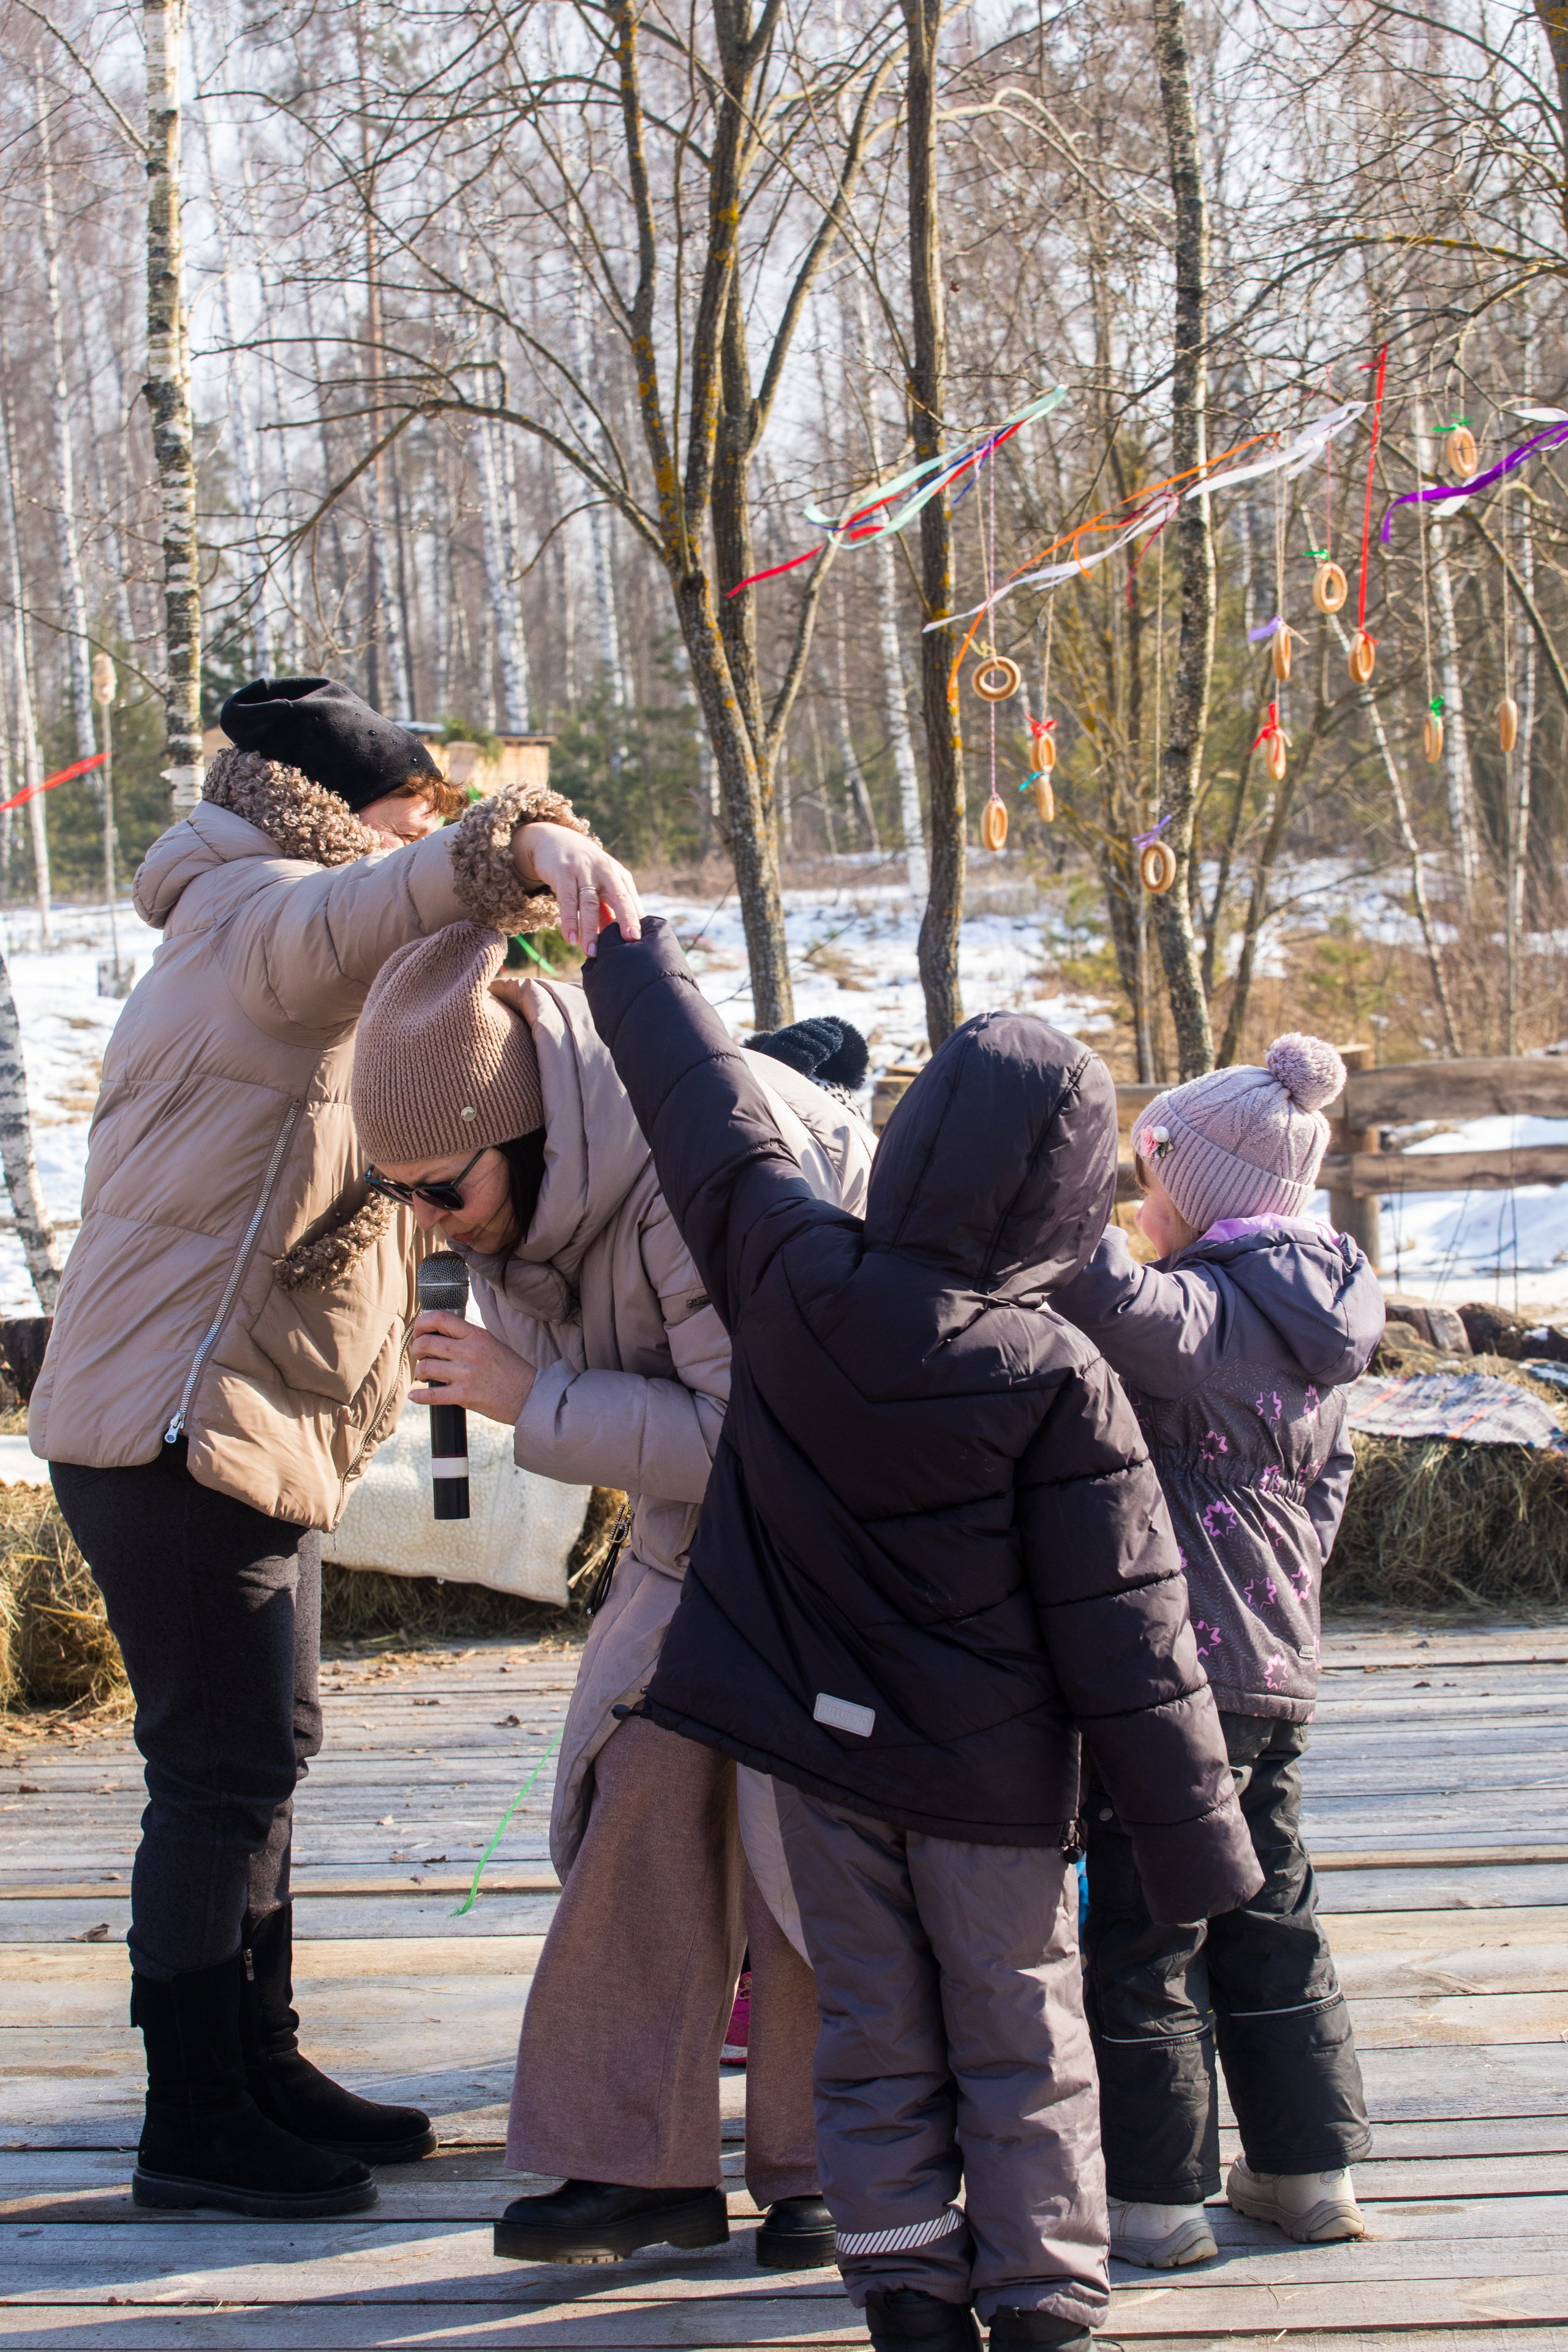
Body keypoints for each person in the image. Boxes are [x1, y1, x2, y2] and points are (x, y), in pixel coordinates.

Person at [580, 917, 1264, 2352]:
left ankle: (900, 2290)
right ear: (1064, 1197)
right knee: (1019, 2040)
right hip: (990, 1794)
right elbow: (1129, 1630)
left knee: (870, 2035)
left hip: (817, 1769)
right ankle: (1037, 2306)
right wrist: (1201, 1842)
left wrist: (626, 959)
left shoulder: (785, 1275)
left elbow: (704, 1115)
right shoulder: (1055, 1371)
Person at [32, 676, 638, 2222]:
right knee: (218, 1770)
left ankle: (261, 2060)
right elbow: (384, 902)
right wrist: (517, 847)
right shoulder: (265, 915)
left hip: (227, 1406)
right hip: (182, 1417)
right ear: (334, 813)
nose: (422, 836)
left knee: (262, 1753)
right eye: (412, 811)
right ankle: (196, 2113)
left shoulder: (267, 930)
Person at [349, 923, 875, 2269]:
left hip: (845, 1516)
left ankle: (832, 2167)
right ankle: (632, 2166)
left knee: (796, 1818)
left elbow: (768, 1431)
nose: (423, 1222)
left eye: (439, 1191)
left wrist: (535, 1400)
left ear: (522, 1138)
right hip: (694, 1537)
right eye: (394, 1192)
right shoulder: (515, 1201)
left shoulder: (688, 1176)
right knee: (635, 1789)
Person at [1052, 1035, 1384, 2269]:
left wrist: (1065, 1179)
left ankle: (1152, 2198)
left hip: (1175, 1672)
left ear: (1195, 1190)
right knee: (1271, 1914)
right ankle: (1307, 2176)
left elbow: (1095, 1291)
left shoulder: (1198, 1312)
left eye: (1149, 1179)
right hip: (1277, 1663)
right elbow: (1330, 1492)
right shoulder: (1324, 1316)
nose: (1138, 1206)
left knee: (1145, 1927)